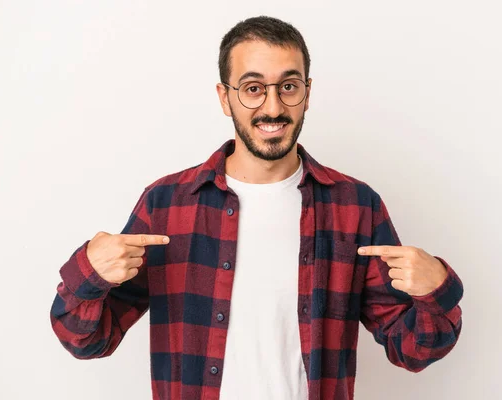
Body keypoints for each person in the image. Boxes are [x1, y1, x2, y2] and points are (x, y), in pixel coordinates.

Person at [50, 15, 464, 400]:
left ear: (307, 93)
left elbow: (412, 351)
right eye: (252, 88)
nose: (272, 107)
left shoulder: (356, 206)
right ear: (225, 98)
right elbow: (86, 341)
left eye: (288, 86)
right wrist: (89, 272)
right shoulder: (166, 204)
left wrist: (436, 290)